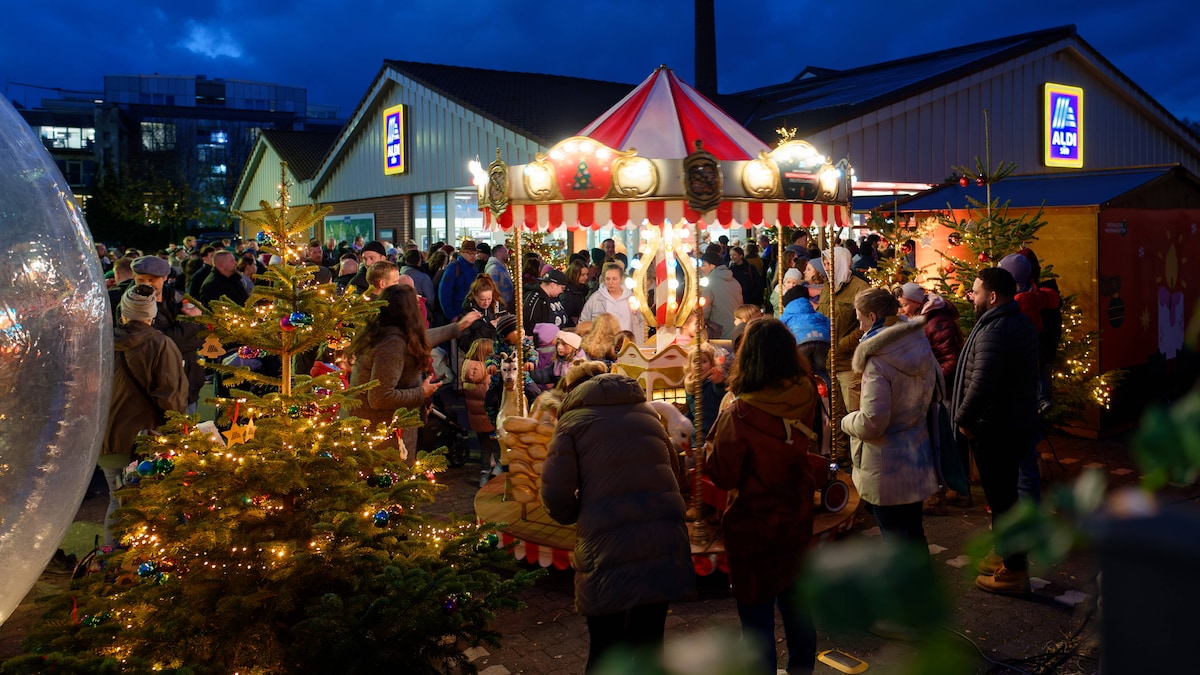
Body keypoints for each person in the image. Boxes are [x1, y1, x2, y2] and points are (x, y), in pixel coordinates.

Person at [541, 364, 694, 673]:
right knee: (651, 646)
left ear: (574, 390)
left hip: (607, 544)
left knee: (606, 648)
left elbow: (555, 495)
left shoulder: (572, 423)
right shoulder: (648, 414)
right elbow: (677, 476)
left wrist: (577, 513)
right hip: (660, 541)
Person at [705, 317, 819, 675]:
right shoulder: (806, 392)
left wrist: (709, 448)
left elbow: (722, 474)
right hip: (795, 509)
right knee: (797, 601)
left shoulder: (740, 413)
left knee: (756, 616)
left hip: (753, 522)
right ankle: (802, 668)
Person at [953, 267, 1040, 595]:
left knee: (1002, 499)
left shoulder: (995, 330)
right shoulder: (1016, 322)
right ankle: (1005, 551)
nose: (971, 298)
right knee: (1005, 496)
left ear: (992, 296)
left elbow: (982, 384)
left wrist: (963, 419)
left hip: (996, 428)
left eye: (975, 292)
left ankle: (1014, 572)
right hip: (1013, 423)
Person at [842, 288, 939, 547]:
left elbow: (873, 422)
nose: (859, 326)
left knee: (895, 538)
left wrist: (846, 421)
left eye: (860, 319)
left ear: (872, 317)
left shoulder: (878, 361)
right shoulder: (919, 344)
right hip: (916, 454)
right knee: (913, 533)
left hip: (887, 465)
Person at [347, 285, 480, 464]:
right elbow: (380, 397)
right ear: (407, 311)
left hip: (378, 433)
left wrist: (456, 328)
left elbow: (420, 339)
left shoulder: (385, 333)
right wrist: (421, 392)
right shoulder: (392, 344)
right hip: (383, 437)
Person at [101, 284, 188, 546]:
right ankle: (148, 568)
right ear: (151, 314)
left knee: (118, 502)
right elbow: (171, 397)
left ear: (123, 314)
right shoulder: (161, 345)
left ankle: (111, 568)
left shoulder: (103, 344)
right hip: (147, 441)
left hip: (108, 440)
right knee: (158, 504)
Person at [896, 281, 967, 513]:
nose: (902, 310)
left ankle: (950, 492)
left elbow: (951, 359)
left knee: (945, 441)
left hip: (943, 390)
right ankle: (951, 490)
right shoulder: (921, 320)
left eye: (904, 305)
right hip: (934, 388)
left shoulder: (938, 322)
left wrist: (932, 381)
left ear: (916, 303)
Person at [818, 247, 872, 464]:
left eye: (830, 262)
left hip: (848, 362)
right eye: (825, 263)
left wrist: (842, 344)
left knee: (854, 412)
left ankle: (861, 457)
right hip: (829, 362)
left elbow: (866, 324)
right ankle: (840, 455)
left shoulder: (859, 288)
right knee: (836, 411)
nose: (827, 267)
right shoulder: (826, 288)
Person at [461, 338, 502, 487]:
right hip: (490, 418)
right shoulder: (489, 371)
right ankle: (498, 471)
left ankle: (484, 476)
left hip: (476, 419)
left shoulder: (466, 369)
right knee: (498, 445)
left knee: (484, 447)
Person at [579, 262, 645, 335]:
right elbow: (583, 322)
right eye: (608, 279)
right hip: (603, 344)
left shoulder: (631, 298)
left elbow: (641, 321)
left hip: (628, 342)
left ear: (621, 279)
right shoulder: (595, 298)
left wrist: (639, 341)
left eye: (614, 279)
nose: (611, 282)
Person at [684, 341, 726, 445]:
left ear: (711, 363)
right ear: (690, 365)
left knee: (693, 457)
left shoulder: (713, 380)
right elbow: (691, 412)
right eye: (695, 361)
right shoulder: (690, 386)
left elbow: (720, 395)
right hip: (696, 431)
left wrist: (719, 383)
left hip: (711, 431)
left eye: (704, 361)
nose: (699, 365)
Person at [698, 248, 742, 340]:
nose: (701, 268)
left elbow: (705, 311)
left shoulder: (709, 283)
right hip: (737, 328)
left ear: (712, 266)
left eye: (704, 265)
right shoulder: (734, 281)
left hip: (719, 330)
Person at [457, 274, 505, 353]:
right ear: (474, 296)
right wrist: (489, 328)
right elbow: (464, 344)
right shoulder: (466, 314)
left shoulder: (500, 309)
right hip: (478, 356)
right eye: (482, 299)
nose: (486, 303)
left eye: (489, 299)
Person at [438, 240, 480, 323]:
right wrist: (451, 315)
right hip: (458, 313)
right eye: (470, 254)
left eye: (475, 254)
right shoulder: (453, 268)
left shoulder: (474, 268)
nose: (473, 256)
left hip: (471, 313)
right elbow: (444, 293)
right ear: (462, 253)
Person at [522, 268, 569, 335]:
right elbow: (529, 325)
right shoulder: (536, 299)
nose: (562, 291)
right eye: (562, 288)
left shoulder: (554, 297)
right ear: (553, 285)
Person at [560, 258, 591, 328]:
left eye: (587, 274)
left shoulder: (582, 289)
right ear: (574, 274)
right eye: (582, 275)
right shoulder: (568, 292)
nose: (586, 277)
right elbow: (565, 313)